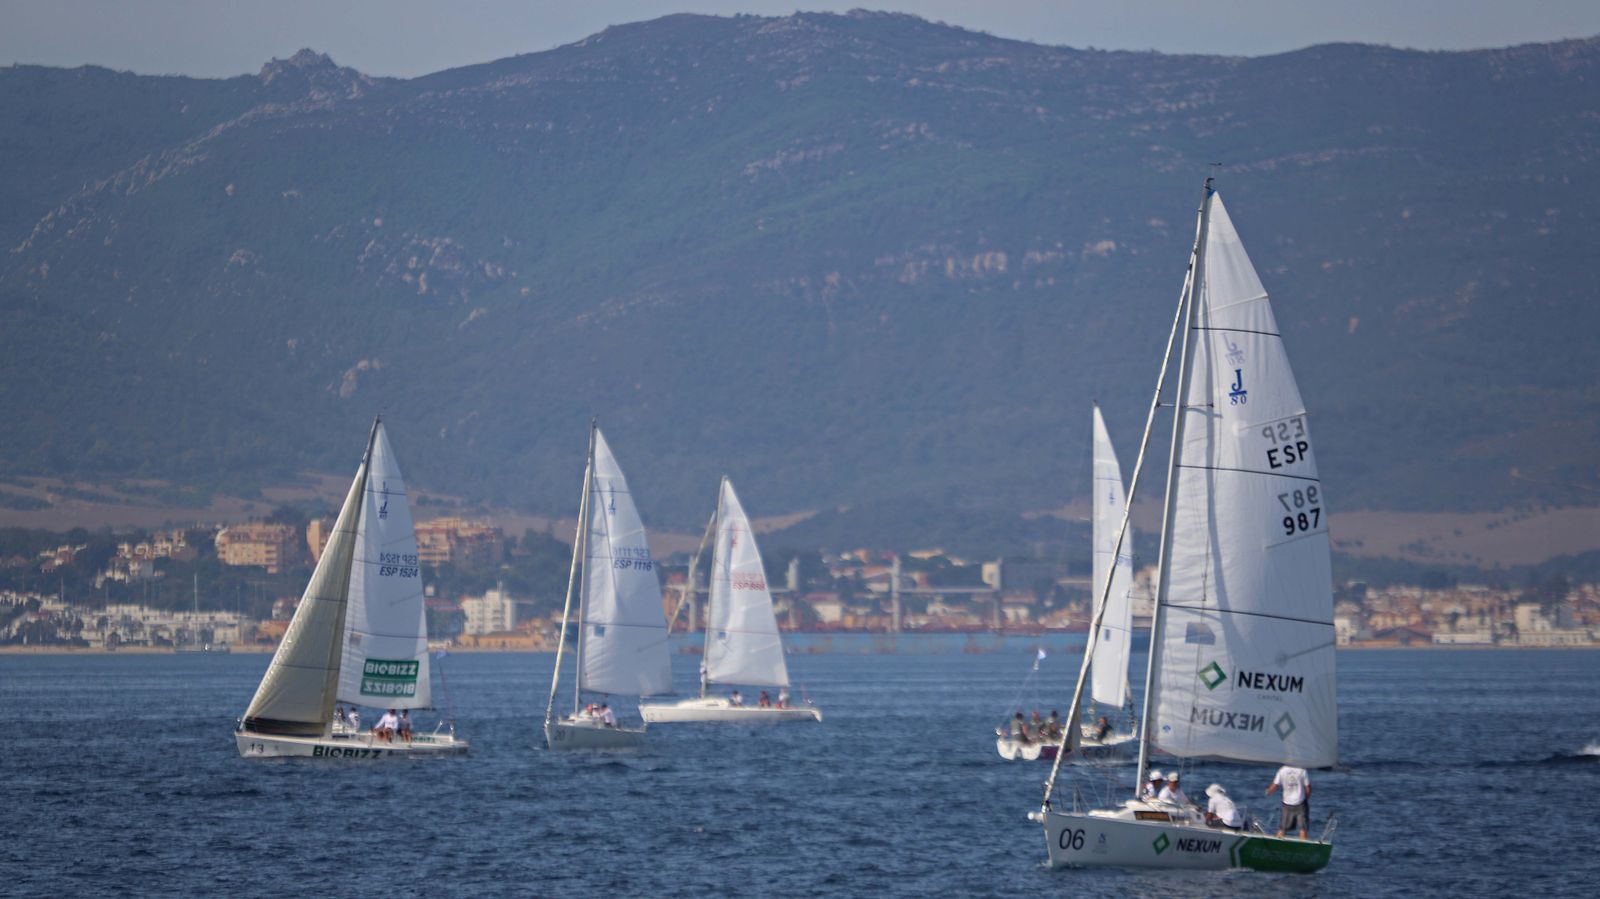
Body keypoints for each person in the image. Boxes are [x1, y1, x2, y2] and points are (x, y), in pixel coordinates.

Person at [1266, 765, 1311, 839]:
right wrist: (1305, 799)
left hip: (1287, 803)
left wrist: (1268, 791)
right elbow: (1308, 788)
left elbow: (1274, 786)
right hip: (1300, 802)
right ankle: (1303, 844)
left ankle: (1277, 842)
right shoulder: (1302, 770)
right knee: (1303, 828)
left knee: (1283, 827)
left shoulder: (1282, 770)